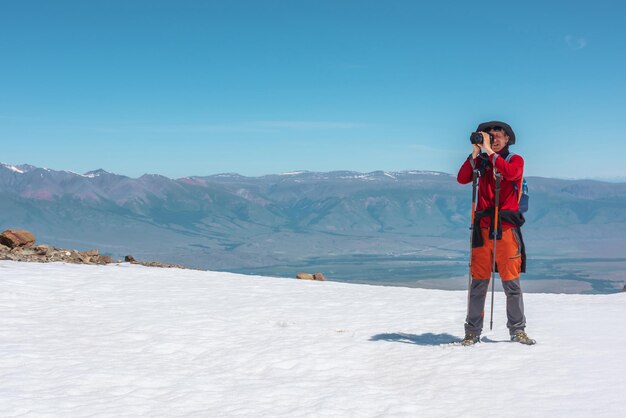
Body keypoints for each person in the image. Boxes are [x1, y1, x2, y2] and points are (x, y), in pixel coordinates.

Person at [457, 121, 535, 346]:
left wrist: (490, 152)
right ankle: (472, 332)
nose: (492, 138)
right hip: (482, 230)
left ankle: (517, 330)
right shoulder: (481, 162)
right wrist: (475, 153)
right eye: (489, 135)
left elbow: (511, 174)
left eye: (497, 135)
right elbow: (462, 178)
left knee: (511, 284)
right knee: (478, 284)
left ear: (508, 138)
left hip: (506, 230)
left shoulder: (514, 160)